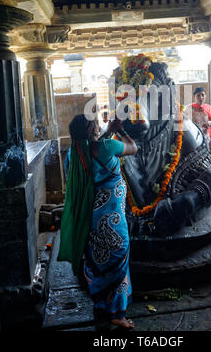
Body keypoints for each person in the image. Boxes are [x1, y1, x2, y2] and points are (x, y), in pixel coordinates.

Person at [58, 114, 137, 329]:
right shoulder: (107, 146)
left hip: (89, 221)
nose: (99, 126)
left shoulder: (74, 153)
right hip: (112, 220)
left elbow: (93, 147)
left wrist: (107, 131)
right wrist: (120, 130)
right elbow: (132, 147)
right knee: (118, 258)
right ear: (92, 130)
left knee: (97, 261)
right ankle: (117, 314)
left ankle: (101, 306)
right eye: (96, 125)